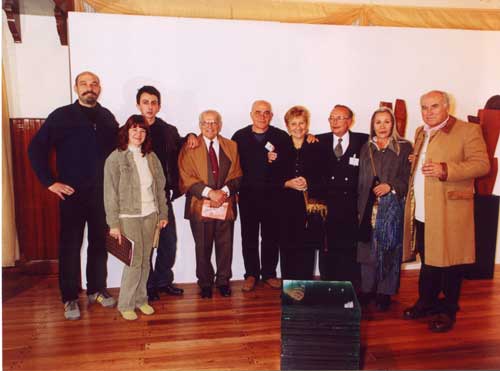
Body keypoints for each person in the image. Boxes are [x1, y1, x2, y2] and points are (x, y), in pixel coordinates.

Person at [28, 71, 118, 320]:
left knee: (99, 245)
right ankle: (69, 298)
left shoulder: (107, 117)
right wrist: (50, 182)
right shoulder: (61, 116)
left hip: (101, 194)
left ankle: (96, 290)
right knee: (70, 246)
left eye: (94, 84)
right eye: (84, 84)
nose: (89, 88)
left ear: (99, 88)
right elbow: (36, 148)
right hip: (72, 194)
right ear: (76, 88)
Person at [402, 90, 489, 332]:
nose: (428, 112)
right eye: (424, 107)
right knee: (429, 260)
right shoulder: (421, 132)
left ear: (446, 107)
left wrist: (445, 169)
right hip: (423, 208)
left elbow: (482, 165)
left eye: (434, 106)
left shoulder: (467, 130)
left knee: (451, 262)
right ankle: (426, 302)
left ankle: (448, 309)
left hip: (449, 210)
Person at [135, 86, 200, 301]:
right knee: (145, 244)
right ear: (138, 105)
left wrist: (190, 135)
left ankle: (163, 281)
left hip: (163, 197)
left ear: (159, 106)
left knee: (168, 242)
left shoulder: (168, 130)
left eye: (154, 102)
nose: (150, 107)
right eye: (146, 102)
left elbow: (181, 145)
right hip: (140, 198)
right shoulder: (131, 129)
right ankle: (148, 284)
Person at [104, 115, 168, 320]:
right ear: (127, 131)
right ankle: (126, 304)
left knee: (146, 260)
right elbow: (110, 193)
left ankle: (141, 300)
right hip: (128, 216)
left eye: (142, 131)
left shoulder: (151, 157)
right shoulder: (116, 158)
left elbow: (160, 189)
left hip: (150, 215)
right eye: (134, 129)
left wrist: (163, 214)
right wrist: (113, 223)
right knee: (133, 261)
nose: (138, 134)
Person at [178, 110, 242, 298]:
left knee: (225, 245)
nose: (210, 126)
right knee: (203, 247)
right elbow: (185, 176)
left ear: (220, 125)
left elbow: (238, 175)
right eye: (206, 123)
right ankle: (205, 283)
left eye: (214, 123)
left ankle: (223, 281)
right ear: (200, 125)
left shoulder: (231, 146)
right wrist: (209, 193)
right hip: (200, 205)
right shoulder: (190, 146)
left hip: (225, 203)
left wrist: (224, 192)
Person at [231, 100, 291, 291]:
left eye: (266, 113)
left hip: (274, 196)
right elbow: (233, 168)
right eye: (258, 112)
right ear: (251, 114)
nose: (262, 116)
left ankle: (269, 274)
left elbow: (290, 162)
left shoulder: (280, 136)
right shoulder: (239, 137)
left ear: (271, 116)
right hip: (247, 196)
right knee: (248, 236)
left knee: (271, 236)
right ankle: (251, 274)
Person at [357, 107, 412, 311]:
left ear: (393, 124)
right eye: (378, 122)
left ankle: (385, 292)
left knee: (389, 248)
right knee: (366, 249)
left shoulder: (404, 148)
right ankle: (367, 289)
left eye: (386, 122)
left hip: (390, 206)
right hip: (365, 205)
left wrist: (391, 186)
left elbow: (408, 178)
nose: (382, 126)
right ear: (372, 125)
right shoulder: (365, 147)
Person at [316, 105, 368, 288]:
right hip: (327, 205)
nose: (334, 122)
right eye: (331, 118)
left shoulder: (363, 140)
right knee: (327, 248)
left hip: (351, 205)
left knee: (349, 248)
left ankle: (350, 288)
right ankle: (327, 286)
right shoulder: (318, 140)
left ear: (349, 120)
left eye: (339, 118)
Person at [278, 106, 326, 280]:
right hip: (285, 206)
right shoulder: (279, 147)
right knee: (287, 247)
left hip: (309, 207)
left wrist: (309, 183)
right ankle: (289, 288)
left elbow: (324, 176)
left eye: (301, 123)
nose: (298, 127)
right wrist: (287, 183)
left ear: (307, 125)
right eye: (293, 124)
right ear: (287, 126)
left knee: (307, 248)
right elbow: (271, 179)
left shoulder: (317, 146)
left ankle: (306, 286)